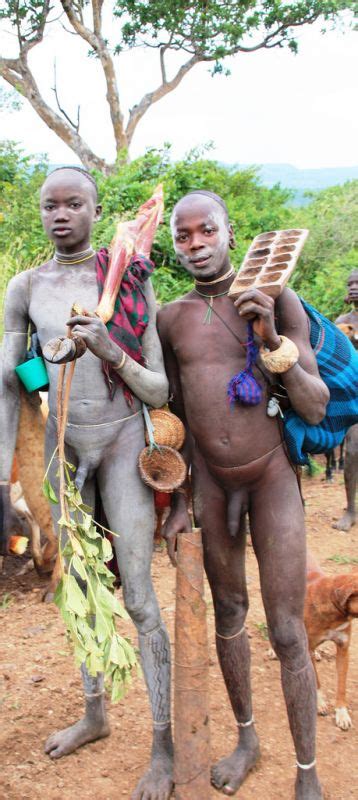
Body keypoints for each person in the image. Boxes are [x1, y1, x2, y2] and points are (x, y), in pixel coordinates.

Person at [0, 166, 173, 800]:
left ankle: (162, 743)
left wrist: (105, 348)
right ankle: (96, 712)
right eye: (50, 205)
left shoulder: (125, 280)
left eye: (75, 204)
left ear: (96, 212)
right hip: (63, 447)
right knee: (79, 588)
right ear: (41, 211)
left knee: (138, 598)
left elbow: (158, 388)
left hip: (125, 439)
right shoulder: (27, 287)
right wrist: (44, 367)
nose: (61, 215)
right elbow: (10, 381)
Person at [157, 191, 329, 800]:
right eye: (185, 236)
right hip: (209, 479)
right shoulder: (171, 317)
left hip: (271, 476)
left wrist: (271, 336)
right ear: (175, 243)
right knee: (229, 614)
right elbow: (171, 413)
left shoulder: (277, 299)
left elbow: (314, 404)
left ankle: (307, 773)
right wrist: (178, 500)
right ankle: (247, 739)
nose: (197, 244)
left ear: (231, 232)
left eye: (208, 231)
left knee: (286, 629)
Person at [332, 270, 358, 531]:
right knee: (352, 452)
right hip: (354, 397)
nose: (353, 288)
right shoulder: (342, 322)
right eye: (350, 283)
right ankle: (351, 510)